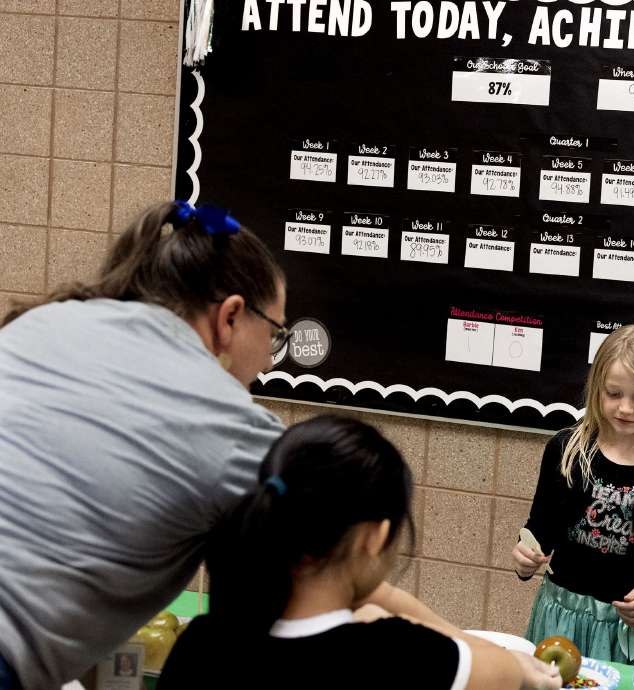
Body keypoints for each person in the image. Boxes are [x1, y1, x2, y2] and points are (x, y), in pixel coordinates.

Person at [0, 201, 450, 690]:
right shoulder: (230, 426)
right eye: (274, 333)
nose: (270, 362)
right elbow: (334, 570)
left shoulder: (46, 322)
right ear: (231, 316)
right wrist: (459, 644)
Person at [159, 415, 561, 689]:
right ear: (375, 537)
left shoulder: (202, 644)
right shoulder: (396, 655)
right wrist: (379, 605)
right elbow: (506, 670)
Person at [512, 324, 634, 664]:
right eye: (614, 394)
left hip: (622, 630)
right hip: (559, 618)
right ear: (597, 387)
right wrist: (525, 557)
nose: (625, 408)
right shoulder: (565, 449)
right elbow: (540, 528)